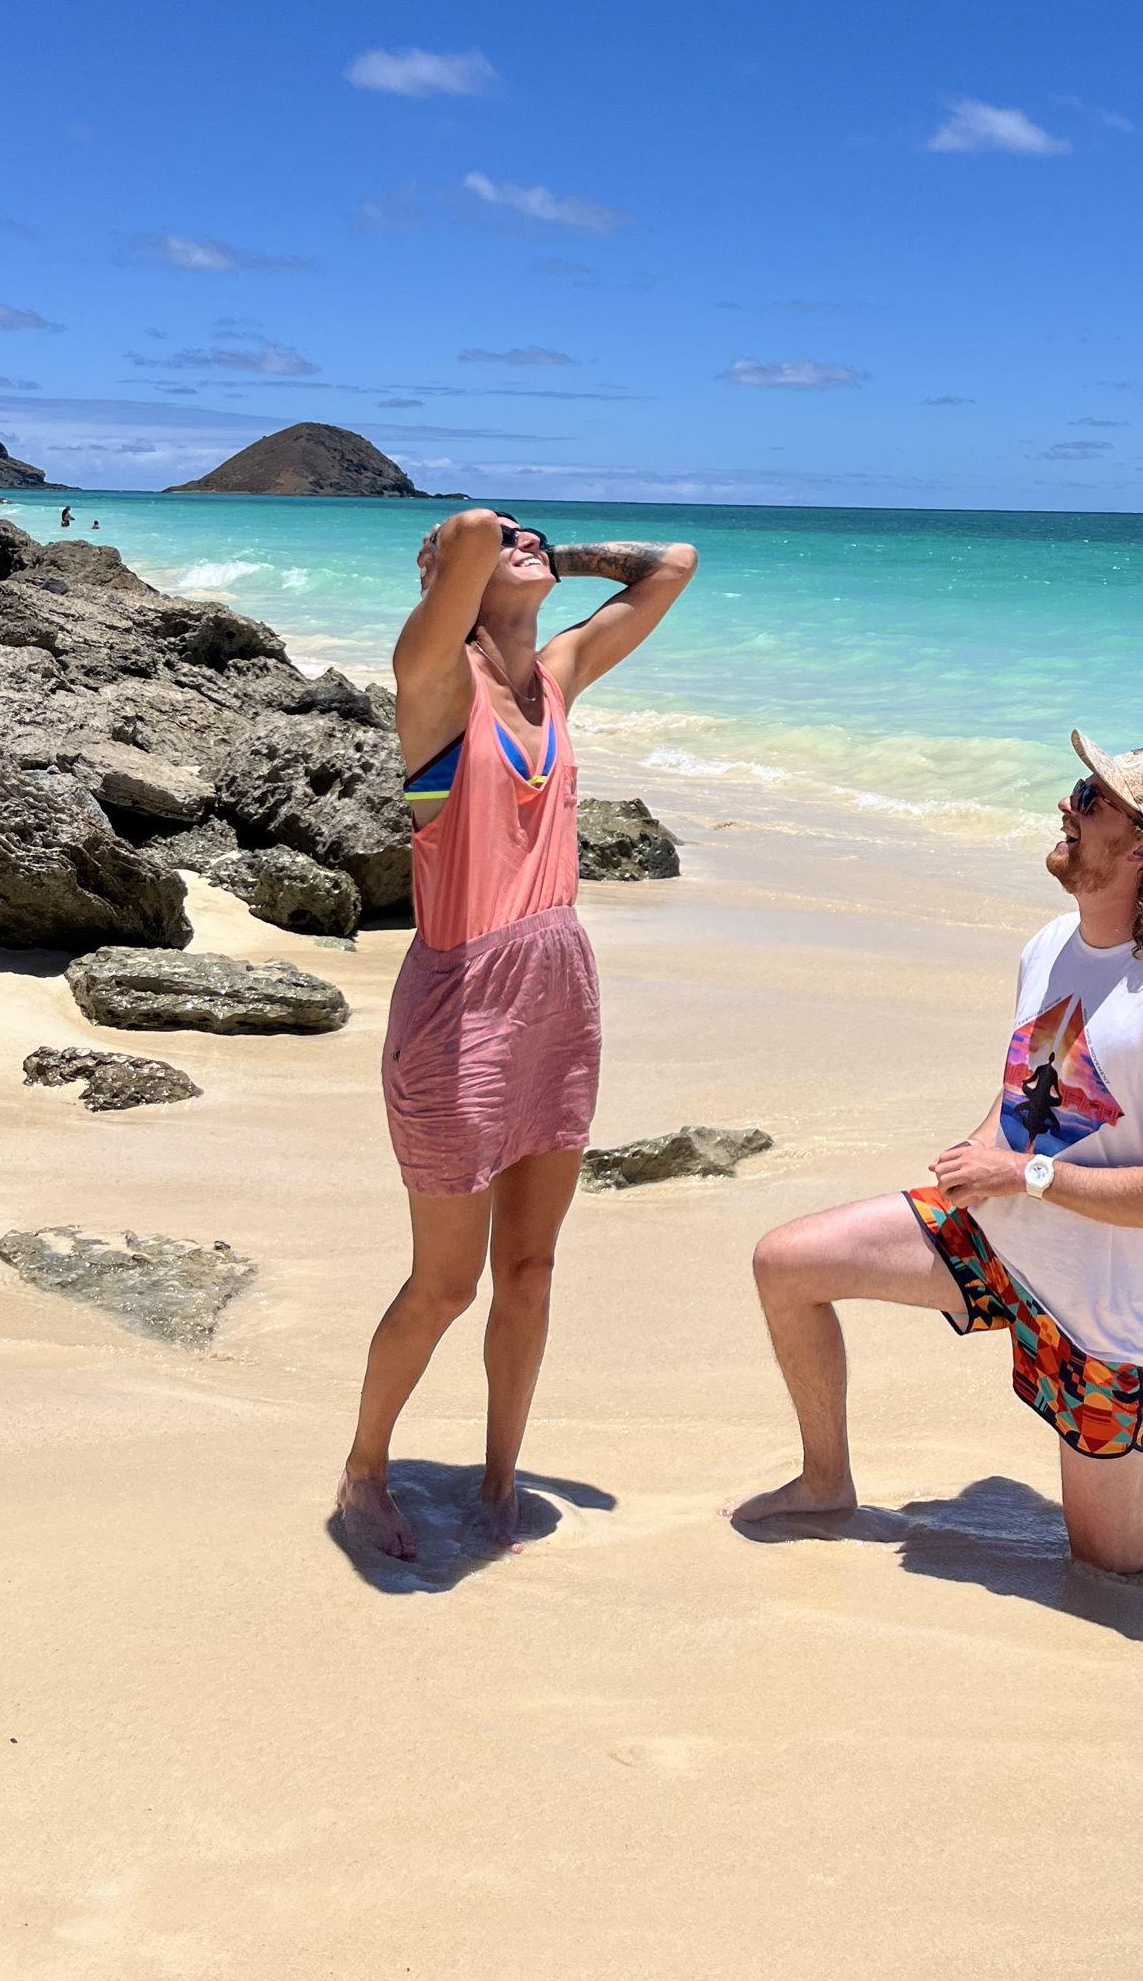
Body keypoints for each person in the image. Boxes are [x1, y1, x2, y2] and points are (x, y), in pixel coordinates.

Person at [731, 734, 1143, 1572]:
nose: (1066, 805)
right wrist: (981, 1150)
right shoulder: (1049, 948)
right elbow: (1037, 1096)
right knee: (786, 1264)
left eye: (1091, 796)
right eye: (1079, 788)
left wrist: (1024, 1174)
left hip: (1102, 1306)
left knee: (1113, 1552)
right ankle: (826, 1482)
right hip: (997, 1238)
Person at [337, 509, 698, 1558]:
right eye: (512, 538)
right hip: (461, 1006)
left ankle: (499, 1479)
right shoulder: (436, 685)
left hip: (559, 995)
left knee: (531, 1268)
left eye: (538, 536)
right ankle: (364, 1467)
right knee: (445, 1281)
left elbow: (671, 565)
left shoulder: (558, 672)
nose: (527, 541)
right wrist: (476, 545)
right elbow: (462, 532)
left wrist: (550, 560)